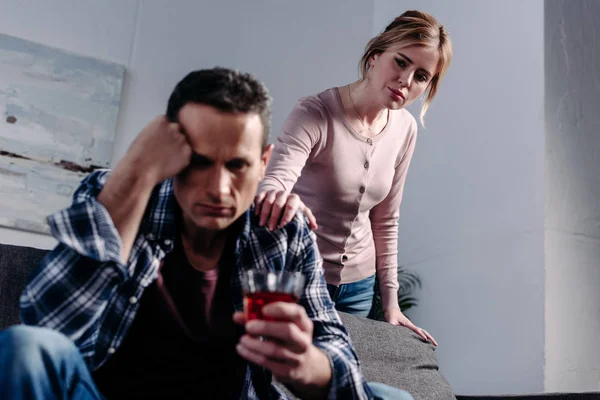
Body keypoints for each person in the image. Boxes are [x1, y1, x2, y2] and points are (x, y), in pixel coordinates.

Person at [0, 67, 413, 400]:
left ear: (263, 161)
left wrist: (309, 366)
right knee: (24, 347)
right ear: (170, 150)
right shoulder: (118, 194)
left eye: (237, 165)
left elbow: (333, 347)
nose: (218, 189)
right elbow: (48, 326)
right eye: (198, 162)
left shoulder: (282, 232)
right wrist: (136, 173)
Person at [255, 10, 452, 345]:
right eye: (401, 62)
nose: (407, 80)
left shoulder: (405, 129)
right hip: (298, 276)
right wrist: (275, 194)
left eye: (421, 76)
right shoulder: (315, 113)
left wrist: (390, 303)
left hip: (359, 289)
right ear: (375, 57)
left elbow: (387, 218)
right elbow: (276, 181)